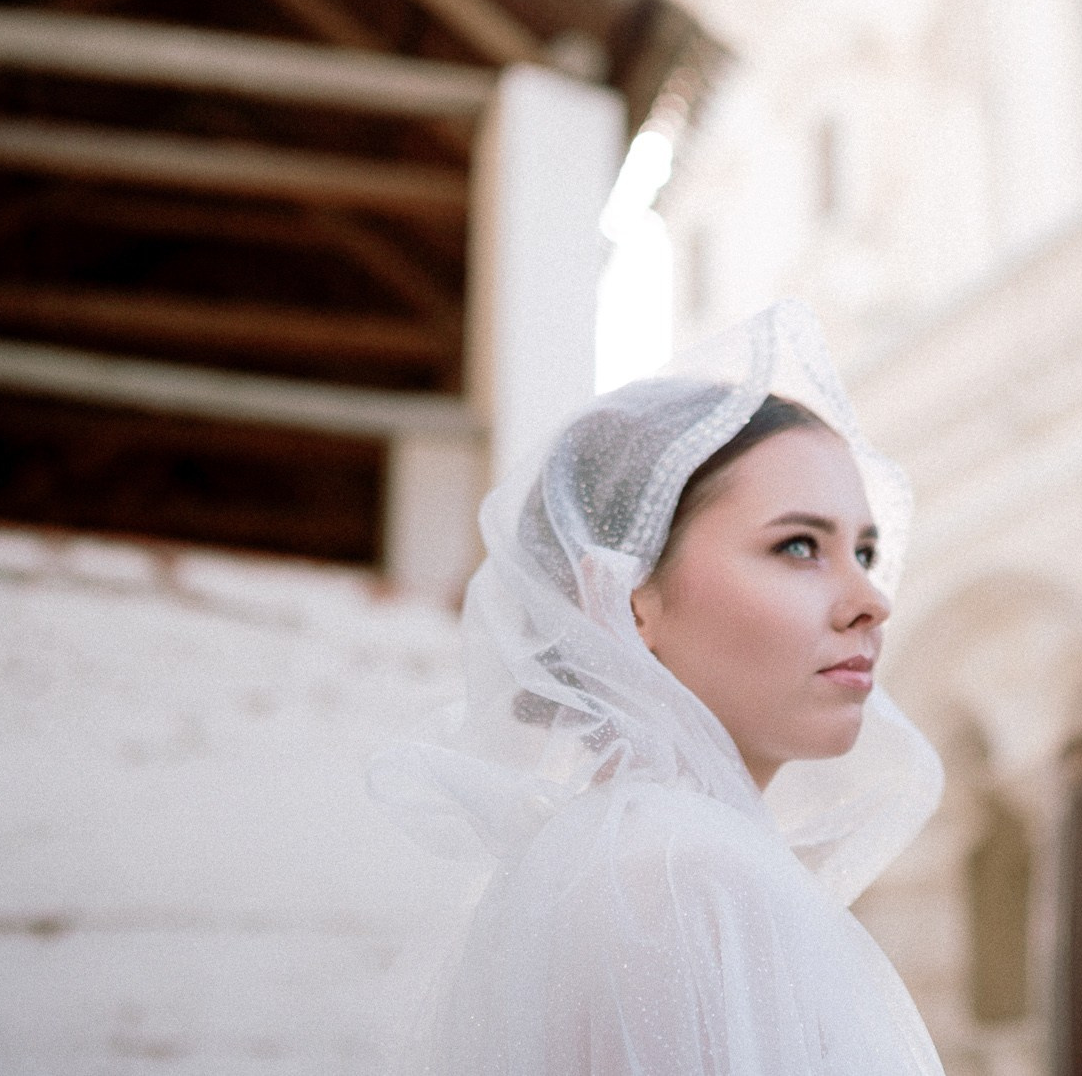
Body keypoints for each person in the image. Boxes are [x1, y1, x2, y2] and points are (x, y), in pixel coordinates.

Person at [373, 302, 946, 1075]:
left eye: (865, 552)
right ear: (626, 600)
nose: (871, 600)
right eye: (798, 545)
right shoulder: (687, 874)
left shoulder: (600, 861)